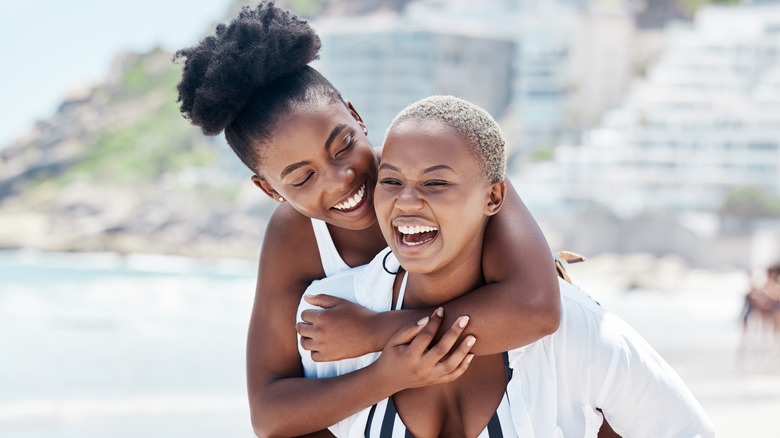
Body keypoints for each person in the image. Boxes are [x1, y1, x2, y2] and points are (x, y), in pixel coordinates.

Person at [173, 3, 560, 436]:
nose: (341, 180)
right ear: (270, 191)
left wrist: (375, 332)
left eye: (343, 146)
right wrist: (389, 374)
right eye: (302, 178)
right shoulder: (295, 237)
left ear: (357, 117)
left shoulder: (441, 163)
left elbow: (536, 309)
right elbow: (270, 414)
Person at [297, 95, 716, 437]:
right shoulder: (330, 320)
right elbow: (276, 419)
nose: (407, 200)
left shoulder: (576, 331)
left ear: (494, 198)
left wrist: (378, 334)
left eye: (436, 182)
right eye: (391, 181)